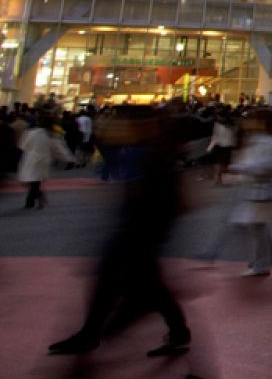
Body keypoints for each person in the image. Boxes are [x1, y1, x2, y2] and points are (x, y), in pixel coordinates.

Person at [48, 107, 194, 361]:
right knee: (149, 288)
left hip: (138, 235)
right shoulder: (145, 152)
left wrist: (141, 232)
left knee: (133, 287)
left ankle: (95, 335)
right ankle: (177, 335)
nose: (115, 128)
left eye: (121, 124)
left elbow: (169, 203)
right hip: (137, 235)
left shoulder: (154, 156)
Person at [229, 110, 272, 276]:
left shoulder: (267, 142)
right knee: (258, 225)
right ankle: (266, 259)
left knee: (256, 225)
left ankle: (262, 262)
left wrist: (242, 168)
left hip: (263, 190)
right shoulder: (267, 140)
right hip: (260, 190)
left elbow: (266, 166)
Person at [18, 111, 74, 209]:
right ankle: (34, 199)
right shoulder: (52, 135)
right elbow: (58, 149)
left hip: (31, 159)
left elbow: (23, 145)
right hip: (44, 160)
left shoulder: (32, 133)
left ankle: (34, 199)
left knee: (29, 181)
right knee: (36, 181)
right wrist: (68, 158)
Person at [207, 108, 238, 183]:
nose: (217, 117)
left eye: (218, 116)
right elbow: (233, 136)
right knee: (221, 162)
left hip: (221, 145)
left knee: (219, 162)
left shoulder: (218, 125)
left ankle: (218, 177)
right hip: (225, 146)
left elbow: (216, 136)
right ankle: (218, 177)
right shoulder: (231, 125)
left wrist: (210, 147)